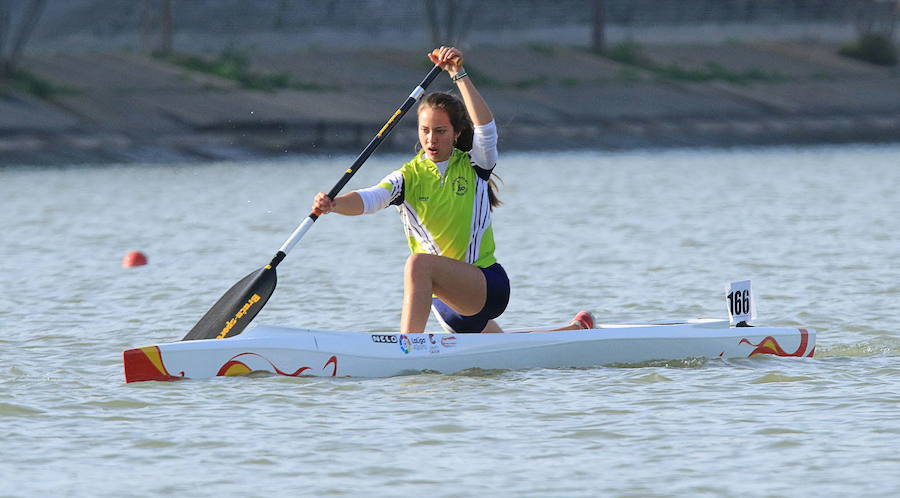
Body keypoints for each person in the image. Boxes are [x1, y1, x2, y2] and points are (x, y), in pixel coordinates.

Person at [312, 46, 594, 333]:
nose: (431, 139)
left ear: (456, 133)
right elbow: (369, 199)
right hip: (446, 304)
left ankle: (407, 349)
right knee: (501, 349)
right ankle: (575, 331)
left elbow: (486, 128)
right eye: (425, 131)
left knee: (418, 265)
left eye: (440, 131)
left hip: (486, 286)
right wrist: (334, 205)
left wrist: (459, 74)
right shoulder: (408, 176)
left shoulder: (475, 165)